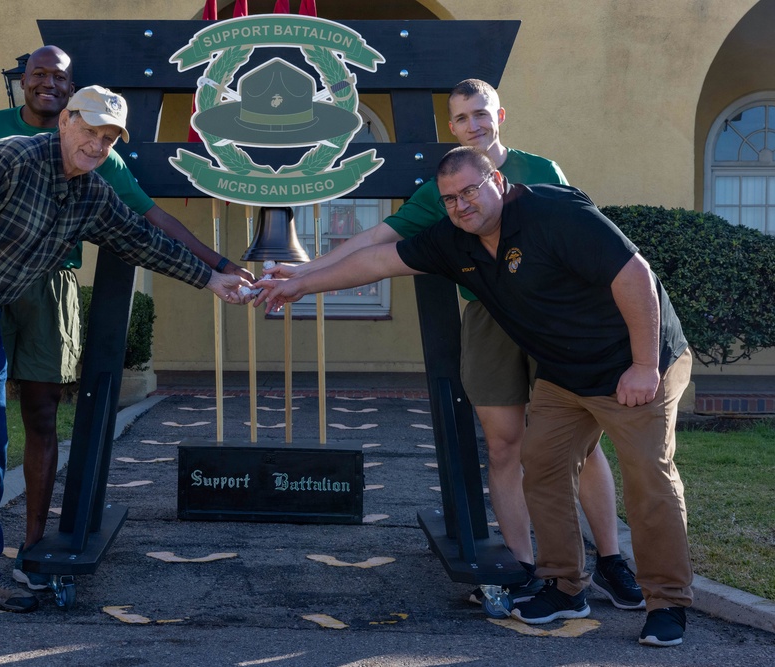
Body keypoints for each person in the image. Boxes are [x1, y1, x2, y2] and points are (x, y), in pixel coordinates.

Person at [256, 146, 693, 647]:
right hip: (564, 374)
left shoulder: (555, 211)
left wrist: (642, 365)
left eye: (470, 190)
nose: (462, 205)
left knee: (649, 478)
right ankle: (565, 586)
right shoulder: (454, 242)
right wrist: (301, 283)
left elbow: (634, 274)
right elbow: (377, 260)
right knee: (543, 466)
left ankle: (668, 603)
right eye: (450, 199)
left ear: (498, 182)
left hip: (635, 363)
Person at [0, 85, 252, 630]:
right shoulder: (9, 159)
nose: (96, 144)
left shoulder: (89, 193)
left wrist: (211, 278)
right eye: (89, 130)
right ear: (64, 121)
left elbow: (141, 241)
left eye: (108, 137)